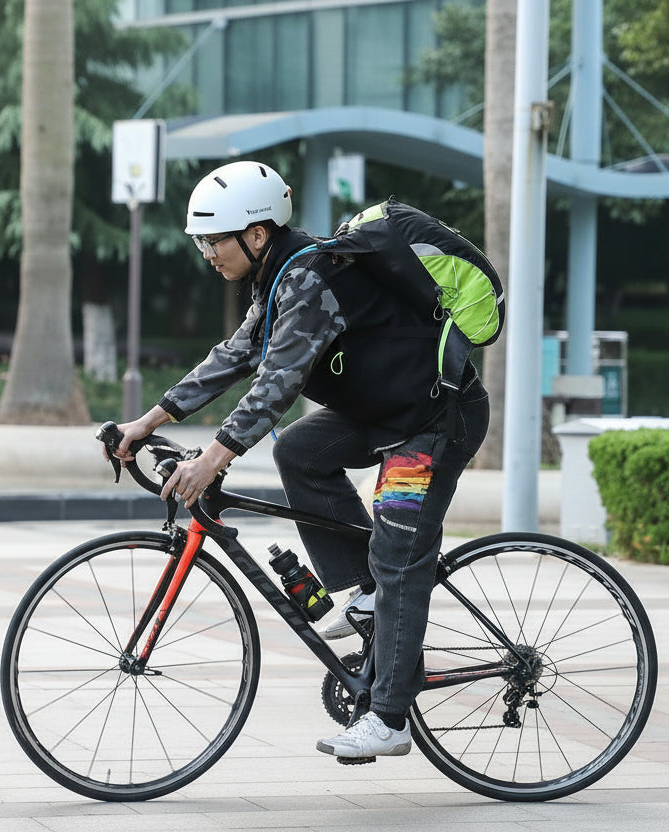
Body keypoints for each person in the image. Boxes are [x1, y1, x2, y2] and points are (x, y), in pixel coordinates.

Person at [111, 160, 489, 760]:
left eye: (214, 240)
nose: (207, 252)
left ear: (256, 234)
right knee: (299, 450)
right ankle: (367, 592)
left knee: (398, 556)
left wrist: (214, 457)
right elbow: (237, 355)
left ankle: (389, 719)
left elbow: (276, 384)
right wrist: (149, 420)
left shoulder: (312, 275)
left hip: (432, 421)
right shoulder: (282, 274)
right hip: (384, 412)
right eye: (202, 241)